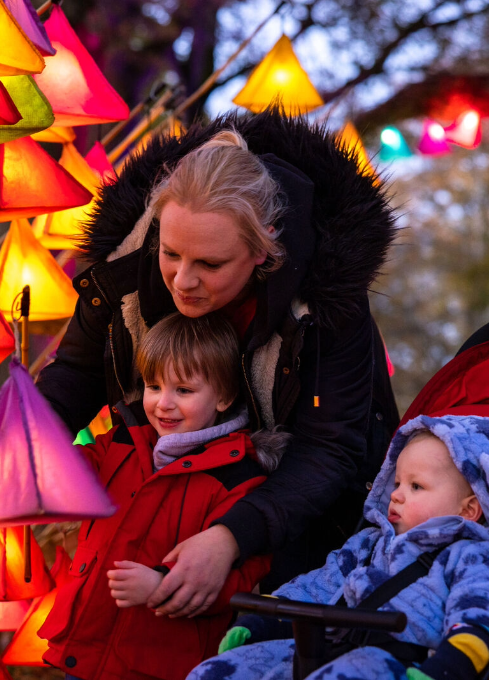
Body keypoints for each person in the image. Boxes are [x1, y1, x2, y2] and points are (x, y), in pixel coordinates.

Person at [37, 107, 400, 615]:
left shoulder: (328, 304)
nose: (182, 280)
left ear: (264, 250)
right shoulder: (124, 267)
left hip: (301, 516)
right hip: (166, 492)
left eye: (209, 264)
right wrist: (27, 441)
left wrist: (232, 537)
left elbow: (330, 449)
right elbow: (77, 372)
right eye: (170, 253)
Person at [38, 312, 281, 680]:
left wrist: (162, 586)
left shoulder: (236, 477)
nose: (163, 403)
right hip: (86, 648)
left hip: (158, 663)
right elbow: (69, 475)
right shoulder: (121, 442)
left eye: (183, 391)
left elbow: (240, 579)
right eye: (154, 386)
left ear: (223, 396)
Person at [188, 414, 489, 680]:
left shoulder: (471, 557)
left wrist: (445, 670)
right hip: (328, 648)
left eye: (416, 486)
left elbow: (477, 620)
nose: (396, 496)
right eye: (396, 483)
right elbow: (316, 588)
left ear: (469, 509)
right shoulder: (367, 545)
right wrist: (263, 622)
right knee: (221, 669)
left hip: (400, 664)